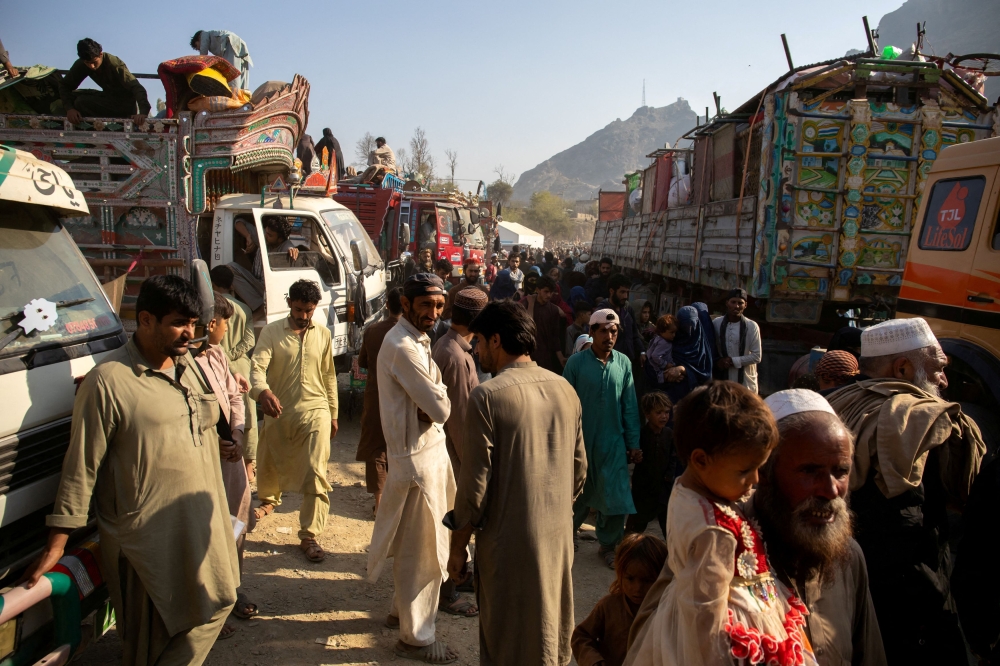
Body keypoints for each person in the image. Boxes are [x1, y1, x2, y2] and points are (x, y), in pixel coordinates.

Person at [25, 275, 239, 666]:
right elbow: (80, 467)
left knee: (219, 602)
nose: (188, 333)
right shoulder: (108, 381)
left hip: (201, 526)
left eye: (192, 323)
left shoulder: (188, 365)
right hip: (147, 539)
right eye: (178, 322)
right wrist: (58, 543)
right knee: (150, 641)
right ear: (145, 320)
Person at [627, 389, 887, 666]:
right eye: (809, 471)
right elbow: (652, 641)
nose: (830, 490)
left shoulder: (848, 557)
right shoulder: (717, 540)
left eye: (841, 471)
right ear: (765, 472)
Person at [826, 318, 986, 664]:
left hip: (837, 581)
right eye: (938, 368)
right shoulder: (921, 420)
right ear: (902, 367)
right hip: (905, 600)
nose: (944, 380)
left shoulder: (835, 403)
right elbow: (910, 528)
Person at [445, 300, 587, 666]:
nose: (475, 350)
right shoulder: (565, 389)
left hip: (507, 544)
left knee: (506, 637)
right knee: (548, 631)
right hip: (557, 540)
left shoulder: (488, 396)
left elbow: (474, 490)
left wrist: (458, 549)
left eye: (477, 341)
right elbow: (580, 469)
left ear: (495, 340)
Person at [368, 274, 459, 664]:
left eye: (439, 306)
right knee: (423, 554)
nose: (433, 314)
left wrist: (435, 398)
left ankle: (399, 613)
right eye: (426, 305)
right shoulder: (403, 345)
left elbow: (436, 399)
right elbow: (441, 408)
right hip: (417, 461)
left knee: (412, 545)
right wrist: (438, 401)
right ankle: (417, 637)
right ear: (405, 304)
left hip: (426, 456)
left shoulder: (416, 341)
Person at [250, 279, 338, 563]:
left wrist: (334, 413)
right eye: (299, 309)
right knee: (271, 462)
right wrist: (263, 392)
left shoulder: (323, 334)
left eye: (309, 311)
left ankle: (310, 535)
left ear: (315, 308)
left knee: (315, 470)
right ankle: (269, 501)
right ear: (289, 303)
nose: (303, 316)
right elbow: (257, 368)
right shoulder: (271, 332)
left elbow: (329, 377)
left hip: (317, 411)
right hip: (280, 412)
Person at [193, 293, 258, 637]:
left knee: (236, 521)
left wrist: (236, 430)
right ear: (212, 324)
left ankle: (231, 589)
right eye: (226, 322)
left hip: (230, 457)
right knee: (208, 530)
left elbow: (234, 395)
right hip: (207, 461)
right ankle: (210, 605)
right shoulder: (189, 364)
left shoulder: (217, 355)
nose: (229, 329)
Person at [563, 308, 641, 568]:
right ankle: (564, 537)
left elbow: (629, 405)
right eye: (604, 331)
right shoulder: (576, 364)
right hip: (579, 442)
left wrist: (634, 443)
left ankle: (608, 545)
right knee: (576, 494)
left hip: (613, 443)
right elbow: (564, 405)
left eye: (614, 331)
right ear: (592, 333)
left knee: (616, 496)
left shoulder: (624, 363)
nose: (609, 336)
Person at [573, 534, 668, 666]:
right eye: (630, 578)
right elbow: (581, 636)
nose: (637, 588)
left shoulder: (667, 609)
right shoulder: (609, 606)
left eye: (647, 580)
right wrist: (594, 661)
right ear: (620, 573)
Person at [356, 287, 403, 517]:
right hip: (402, 399)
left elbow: (363, 361)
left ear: (387, 305)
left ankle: (380, 501)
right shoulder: (411, 335)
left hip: (376, 396)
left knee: (376, 449)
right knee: (399, 447)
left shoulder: (373, 331)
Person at [209, 265, 258, 482]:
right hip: (241, 367)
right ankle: (249, 465)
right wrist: (234, 355)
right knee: (248, 416)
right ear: (232, 284)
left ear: (212, 283)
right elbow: (250, 340)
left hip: (218, 366)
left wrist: (225, 356)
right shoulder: (244, 309)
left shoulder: (212, 308)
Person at [59, 38, 150, 125]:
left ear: (100, 54)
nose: (92, 66)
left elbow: (136, 87)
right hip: (108, 99)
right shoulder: (82, 64)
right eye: (88, 63)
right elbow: (65, 85)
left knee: (81, 101)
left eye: (94, 62)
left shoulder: (114, 63)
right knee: (72, 97)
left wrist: (143, 112)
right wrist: (69, 109)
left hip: (124, 105)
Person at [625, 393, 676, 538]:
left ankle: (673, 556)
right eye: (659, 412)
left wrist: (669, 476)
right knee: (636, 525)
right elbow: (631, 455)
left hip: (663, 487)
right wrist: (633, 456)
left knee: (668, 526)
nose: (664, 416)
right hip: (644, 488)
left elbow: (673, 457)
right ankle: (626, 551)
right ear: (647, 414)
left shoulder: (669, 434)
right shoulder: (640, 435)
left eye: (666, 412)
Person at [229, 215, 300, 312]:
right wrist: (248, 236)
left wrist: (293, 250)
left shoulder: (285, 246)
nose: (266, 236)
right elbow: (239, 222)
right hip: (255, 281)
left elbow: (290, 249)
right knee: (231, 268)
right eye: (266, 233)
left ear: (280, 239)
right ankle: (259, 306)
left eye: (270, 235)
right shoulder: (264, 237)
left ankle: (259, 309)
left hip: (268, 287)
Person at [663, 303, 717, 404]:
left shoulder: (702, 347)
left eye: (692, 326)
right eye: (685, 326)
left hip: (693, 400)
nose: (689, 331)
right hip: (668, 397)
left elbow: (706, 374)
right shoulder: (669, 339)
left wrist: (683, 370)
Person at [712, 288, 762, 393]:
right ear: (727, 303)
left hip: (745, 382)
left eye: (740, 303)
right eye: (733, 302)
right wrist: (718, 361)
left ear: (745, 305)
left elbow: (757, 356)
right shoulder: (717, 323)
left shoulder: (751, 326)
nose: (736, 306)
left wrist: (732, 361)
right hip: (722, 380)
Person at [523, 275, 567, 373]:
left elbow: (555, 337)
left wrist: (560, 358)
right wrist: (531, 304)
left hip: (546, 356)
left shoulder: (553, 310)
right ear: (538, 290)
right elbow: (527, 326)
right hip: (528, 355)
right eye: (546, 291)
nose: (549, 295)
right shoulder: (526, 304)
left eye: (551, 292)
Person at [606, 274, 646, 367]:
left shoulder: (627, 308)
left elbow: (635, 334)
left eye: (627, 292)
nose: (625, 296)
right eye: (622, 292)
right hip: (611, 363)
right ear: (612, 291)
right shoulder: (603, 310)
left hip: (628, 361)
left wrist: (642, 351)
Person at [643, 314, 677, 391]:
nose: (674, 335)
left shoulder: (658, 338)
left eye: (675, 333)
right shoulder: (664, 343)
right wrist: (665, 364)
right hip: (655, 370)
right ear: (662, 331)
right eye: (671, 332)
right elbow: (655, 356)